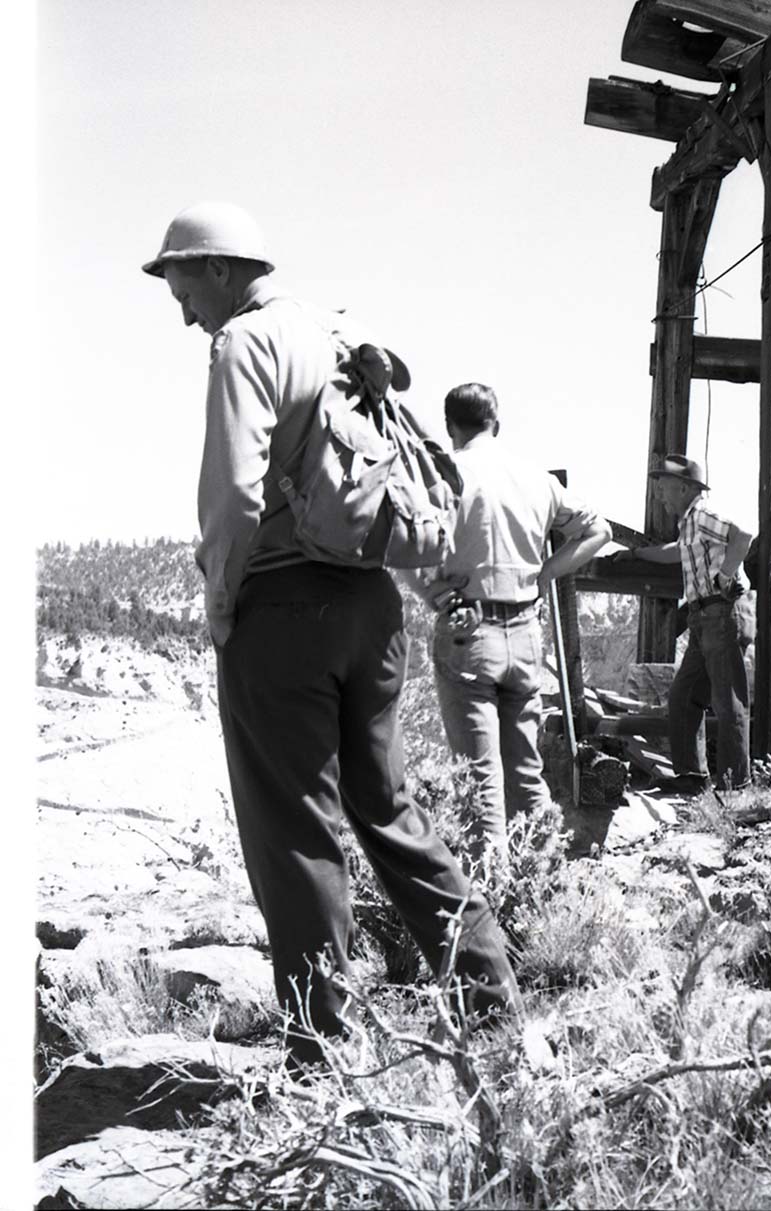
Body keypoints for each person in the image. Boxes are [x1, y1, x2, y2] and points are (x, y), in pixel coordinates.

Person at [142, 201, 521, 1069]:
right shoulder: (342, 331)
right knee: (386, 807)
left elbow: (234, 498)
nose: (180, 306)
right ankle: (492, 996)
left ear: (222, 268)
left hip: (282, 611)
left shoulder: (245, 343)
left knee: (291, 828)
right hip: (370, 607)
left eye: (181, 281)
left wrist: (220, 605)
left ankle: (322, 1048)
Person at [406, 383, 611, 863]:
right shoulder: (535, 478)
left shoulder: (445, 475)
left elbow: (408, 549)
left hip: (468, 628)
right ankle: (546, 880)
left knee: (480, 778)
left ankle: (488, 896)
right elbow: (597, 529)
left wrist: (435, 595)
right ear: (496, 423)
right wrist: (544, 575)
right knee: (524, 771)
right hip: (524, 631)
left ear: (451, 426)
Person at [619, 454, 754, 792]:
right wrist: (636, 555)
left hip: (721, 613)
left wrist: (725, 576)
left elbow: (744, 535)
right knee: (684, 697)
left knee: (728, 703)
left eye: (664, 487)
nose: (660, 495)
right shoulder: (691, 523)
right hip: (704, 619)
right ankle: (692, 778)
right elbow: (675, 552)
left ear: (683, 487)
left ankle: (735, 788)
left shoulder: (704, 514)